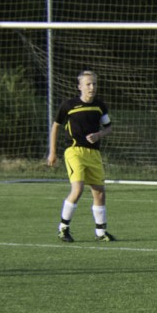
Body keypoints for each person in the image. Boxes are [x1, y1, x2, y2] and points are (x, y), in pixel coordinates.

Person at [46, 69, 117, 242]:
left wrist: (99, 135)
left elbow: (108, 128)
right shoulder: (69, 105)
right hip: (74, 151)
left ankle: (100, 233)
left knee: (99, 192)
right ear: (80, 87)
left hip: (94, 153)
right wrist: (52, 152)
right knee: (77, 189)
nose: (92, 87)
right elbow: (55, 126)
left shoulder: (100, 106)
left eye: (94, 84)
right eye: (88, 84)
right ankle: (63, 229)